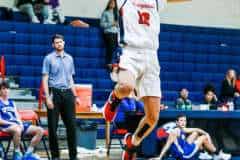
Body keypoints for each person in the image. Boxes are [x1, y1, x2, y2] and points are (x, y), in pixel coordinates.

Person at [102, 0, 191, 159]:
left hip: (151, 56)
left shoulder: (157, 0)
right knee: (127, 86)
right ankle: (113, 99)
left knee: (152, 117)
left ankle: (132, 144)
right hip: (128, 52)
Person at [42, 34, 79, 160]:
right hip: (54, 92)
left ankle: (73, 156)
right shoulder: (48, 58)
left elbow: (70, 78)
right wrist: (47, 97)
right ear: (53, 45)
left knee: (72, 126)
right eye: (56, 42)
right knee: (53, 127)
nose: (59, 44)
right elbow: (45, 78)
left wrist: (76, 95)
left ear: (64, 43)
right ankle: (55, 156)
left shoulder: (70, 58)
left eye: (61, 42)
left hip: (68, 93)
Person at [153, 115, 231, 160]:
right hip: (184, 155)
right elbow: (167, 145)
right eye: (181, 121)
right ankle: (217, 154)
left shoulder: (182, 128)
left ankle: (203, 153)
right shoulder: (175, 131)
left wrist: (207, 133)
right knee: (203, 137)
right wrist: (159, 157)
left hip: (184, 148)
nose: (183, 122)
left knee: (196, 133)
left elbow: (196, 129)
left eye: (184, 120)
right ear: (177, 122)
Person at [0, 81, 44, 160]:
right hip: (5, 126)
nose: (6, 90)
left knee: (40, 130)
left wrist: (20, 123)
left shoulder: (12, 102)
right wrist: (12, 123)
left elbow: (17, 116)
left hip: (17, 125)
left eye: (7, 88)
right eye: (3, 89)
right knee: (17, 129)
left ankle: (28, 154)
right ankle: (17, 153)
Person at [100, 0, 119, 68]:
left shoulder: (116, 13)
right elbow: (102, 24)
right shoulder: (105, 13)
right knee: (110, 46)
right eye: (111, 3)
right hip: (108, 33)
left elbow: (118, 24)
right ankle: (108, 63)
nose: (112, 4)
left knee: (116, 47)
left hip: (116, 33)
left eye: (114, 3)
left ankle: (114, 62)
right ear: (109, 4)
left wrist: (117, 25)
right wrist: (112, 24)